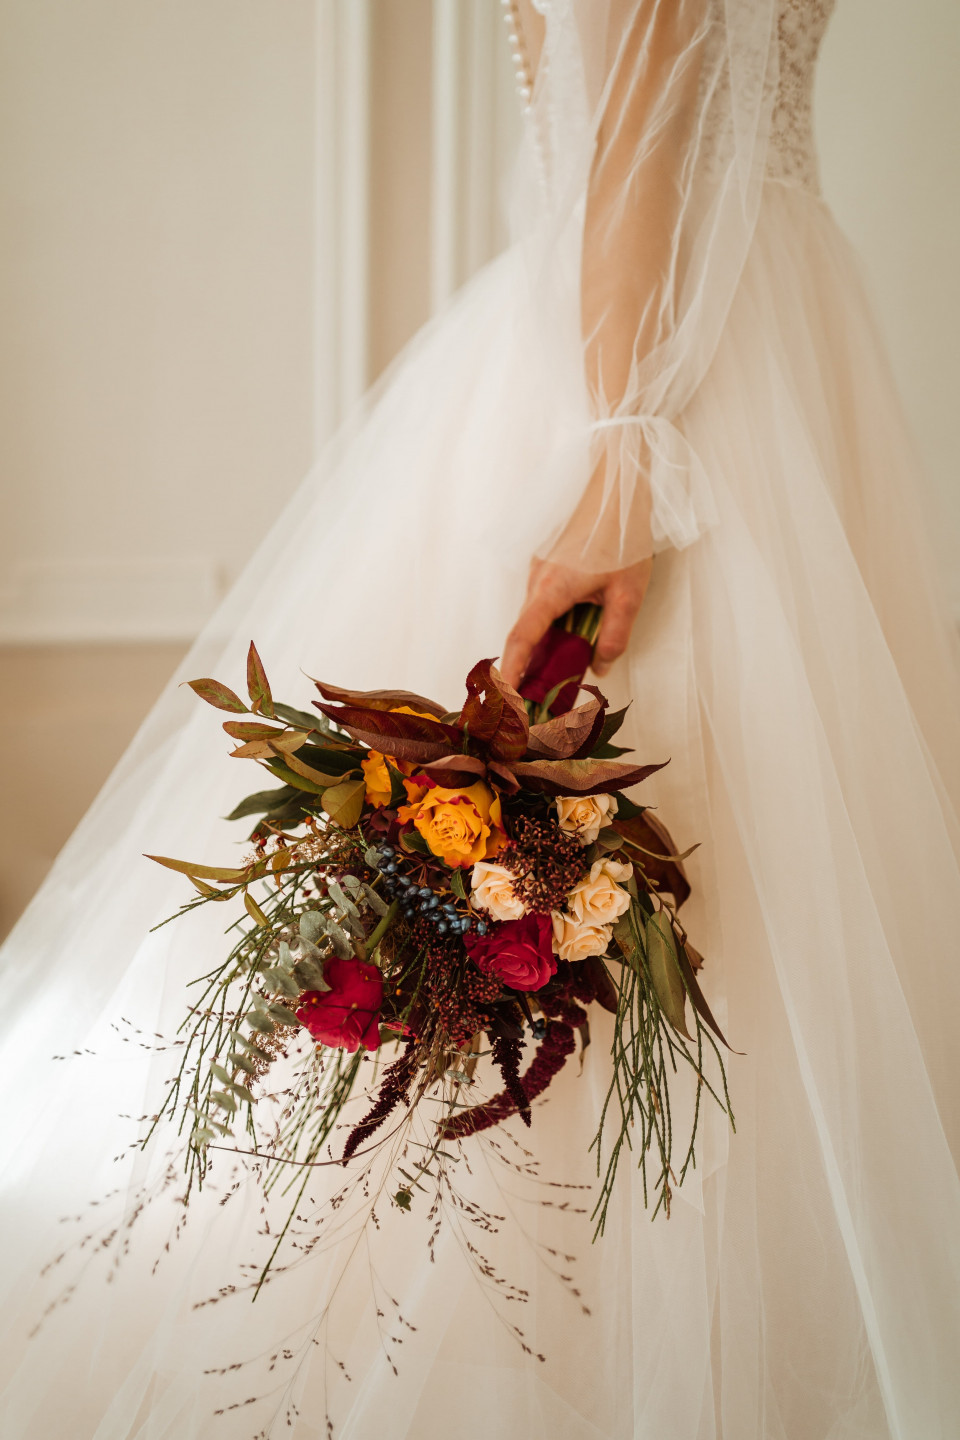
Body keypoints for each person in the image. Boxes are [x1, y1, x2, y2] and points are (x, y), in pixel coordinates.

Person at [1, 2, 959, 1436]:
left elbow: (645, 115)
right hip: (729, 333)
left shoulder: (633, 412)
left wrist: (622, 460)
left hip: (650, 360)